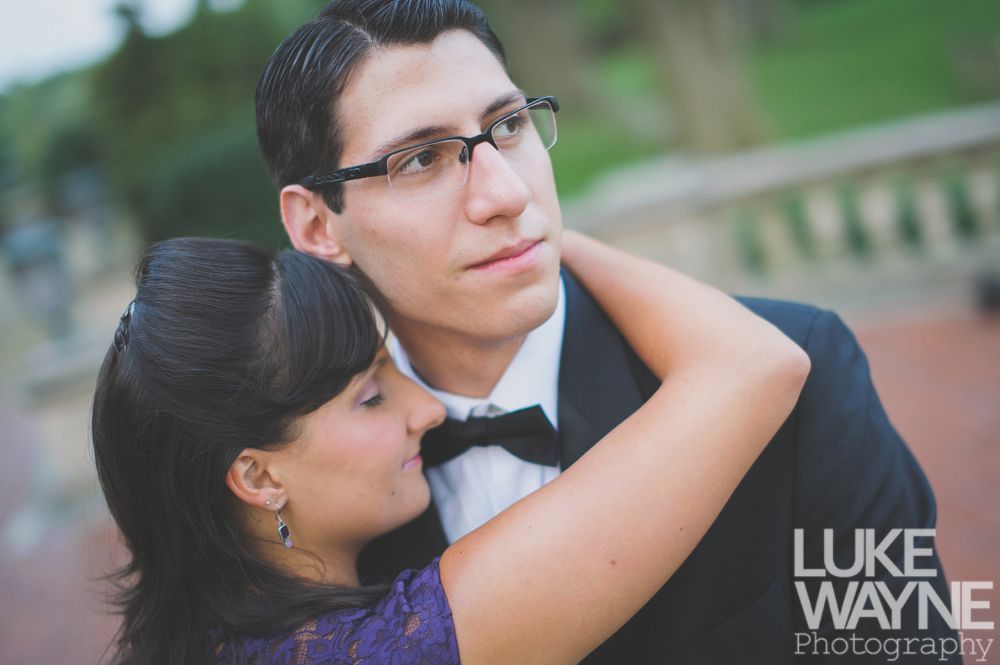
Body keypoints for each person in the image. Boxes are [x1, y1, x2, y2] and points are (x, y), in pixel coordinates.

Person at [255, 1, 959, 661]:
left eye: (508, 126)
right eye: (420, 159)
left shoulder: (803, 366)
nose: (506, 193)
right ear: (317, 223)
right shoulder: (313, 488)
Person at [92, 231, 808, 664]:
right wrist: (539, 237)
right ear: (256, 473)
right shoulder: (402, 646)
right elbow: (752, 365)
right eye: (371, 395)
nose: (427, 408)